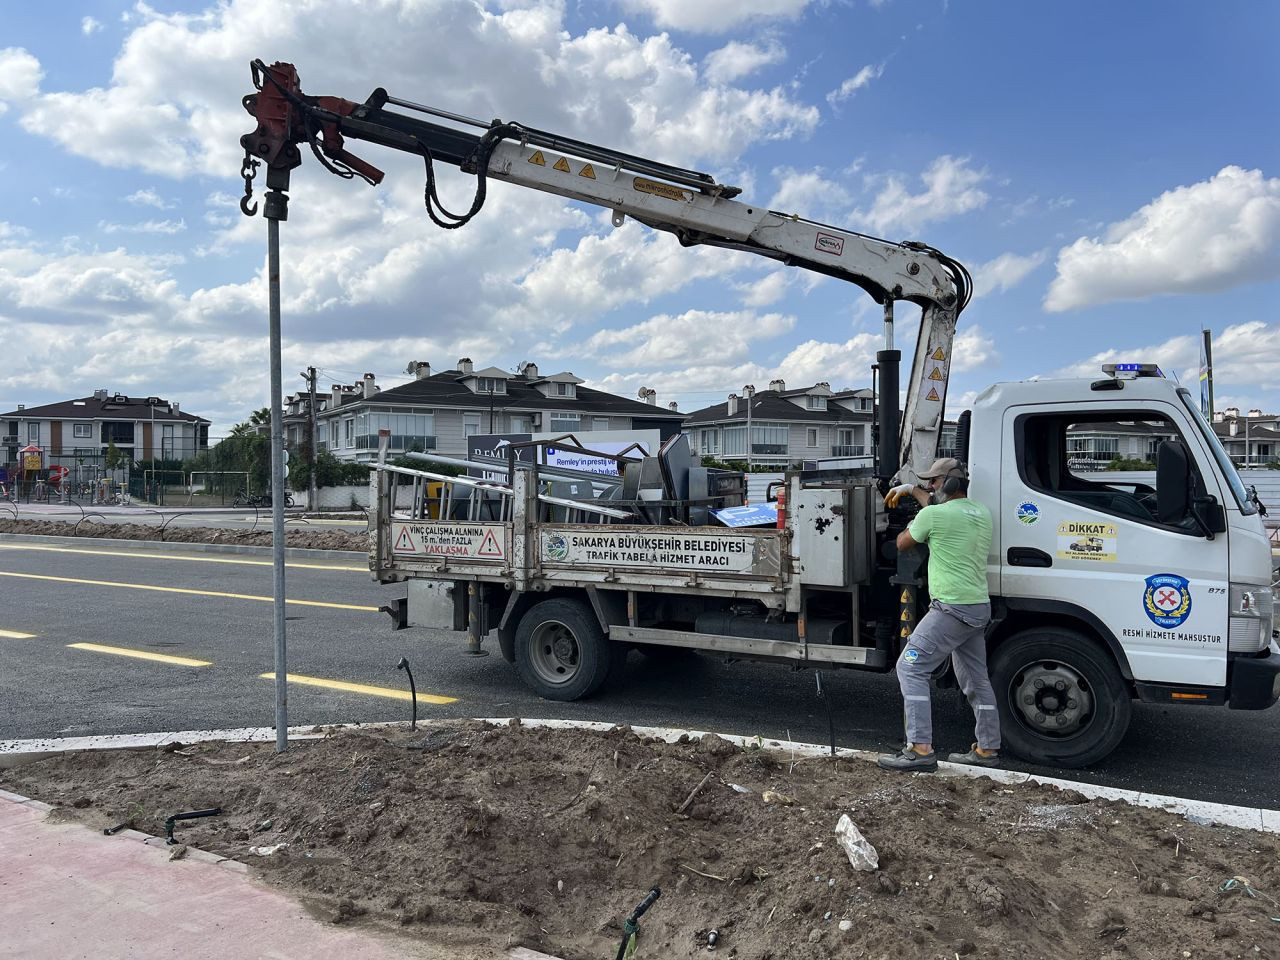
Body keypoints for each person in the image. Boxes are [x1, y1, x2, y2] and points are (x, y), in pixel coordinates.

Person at [877, 458, 1000, 772]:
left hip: (949, 609)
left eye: (933, 481)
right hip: (977, 608)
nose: (929, 486)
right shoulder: (982, 512)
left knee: (910, 669)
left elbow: (903, 543)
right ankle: (987, 748)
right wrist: (913, 490)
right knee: (977, 679)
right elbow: (937, 507)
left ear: (949, 484)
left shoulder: (933, 515)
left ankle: (920, 749)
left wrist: (918, 510)